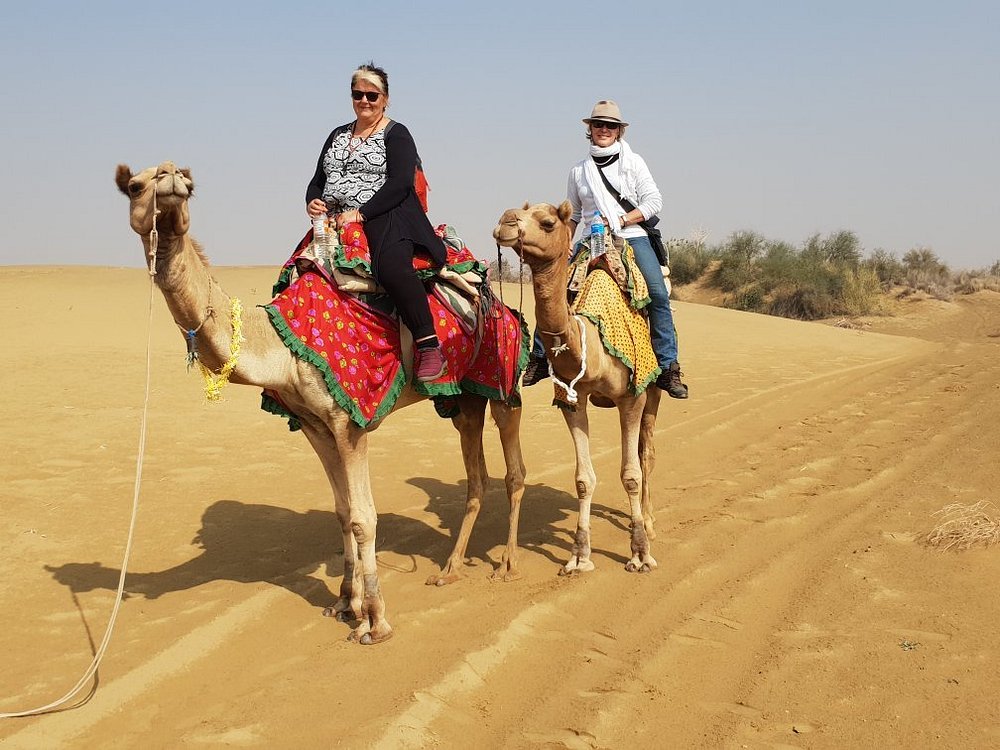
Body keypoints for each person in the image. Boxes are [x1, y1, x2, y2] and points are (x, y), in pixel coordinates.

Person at [522, 100, 689, 399]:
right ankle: (539, 357)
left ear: (619, 131)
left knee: (658, 295)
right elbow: (573, 215)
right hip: (591, 239)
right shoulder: (578, 171)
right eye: (598, 124)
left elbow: (653, 203)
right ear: (590, 129)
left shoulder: (634, 163)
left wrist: (621, 219)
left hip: (632, 236)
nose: (604, 130)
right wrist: (563, 247)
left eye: (610, 126)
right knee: (555, 290)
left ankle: (667, 367)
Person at [305, 62, 448, 382]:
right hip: (333, 220)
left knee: (393, 267)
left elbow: (400, 183)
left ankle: (428, 344)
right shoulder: (337, 135)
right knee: (299, 271)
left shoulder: (396, 133)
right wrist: (312, 200)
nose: (365, 101)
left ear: (385, 99)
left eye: (372, 95)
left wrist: (362, 213)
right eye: (358, 94)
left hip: (388, 213)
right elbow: (318, 179)